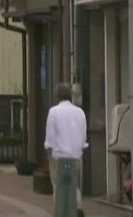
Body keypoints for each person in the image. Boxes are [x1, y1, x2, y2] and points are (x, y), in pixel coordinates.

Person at [45, 82, 88, 217]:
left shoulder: (53, 112)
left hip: (58, 156)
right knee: (73, 184)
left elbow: (50, 137)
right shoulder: (80, 112)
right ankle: (78, 207)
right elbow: (83, 135)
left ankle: (60, 212)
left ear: (57, 96)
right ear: (70, 96)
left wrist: (49, 152)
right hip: (76, 155)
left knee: (58, 185)